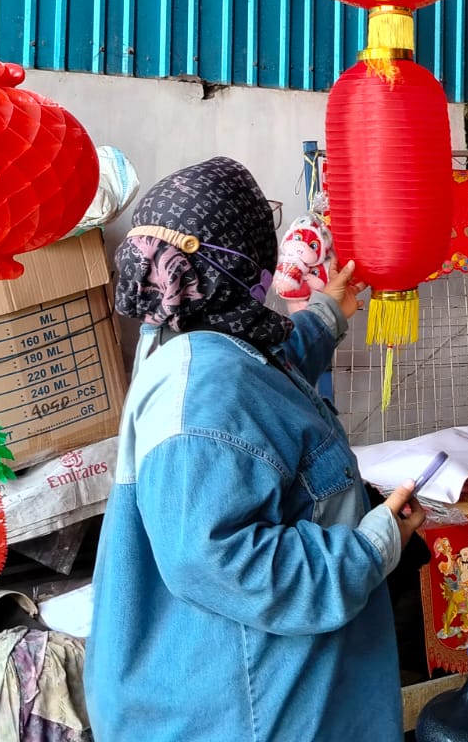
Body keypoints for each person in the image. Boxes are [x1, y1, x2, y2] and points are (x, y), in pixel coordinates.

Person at [85, 156, 426, 742]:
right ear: (243, 260)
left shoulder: (187, 333)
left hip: (231, 687)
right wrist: (372, 547)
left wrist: (328, 312)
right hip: (243, 706)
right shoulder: (206, 391)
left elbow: (271, 367)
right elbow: (220, 559)